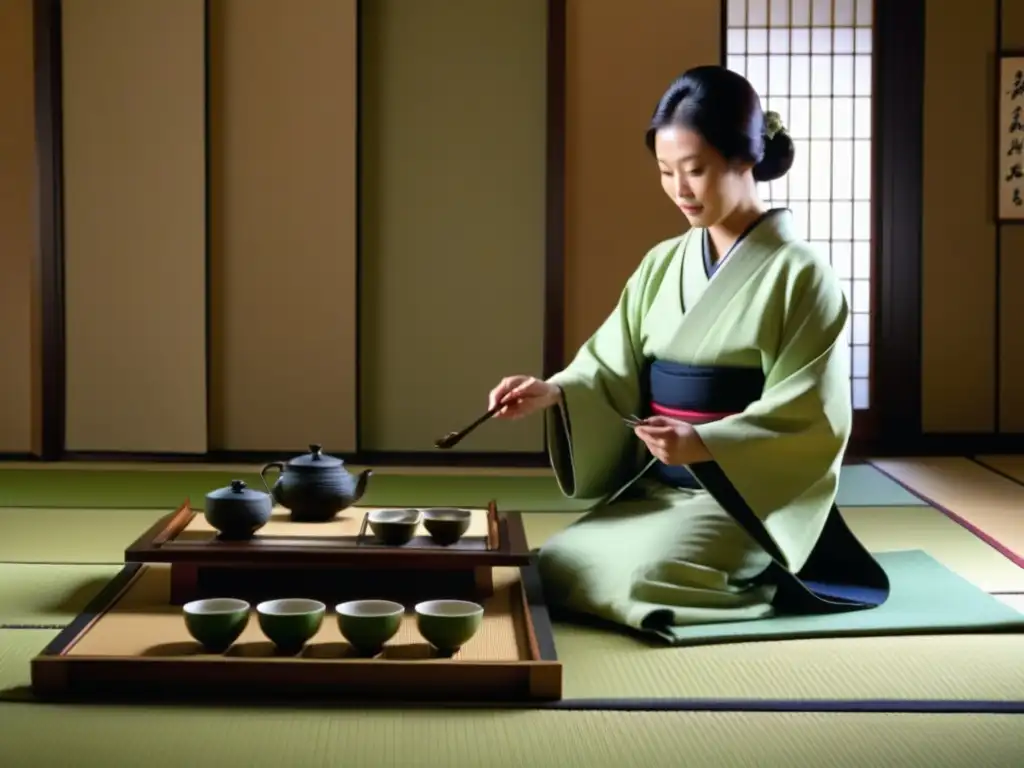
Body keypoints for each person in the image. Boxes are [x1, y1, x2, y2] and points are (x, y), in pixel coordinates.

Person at [486, 65, 889, 642]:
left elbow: (810, 412)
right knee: (555, 564)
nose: (680, 189)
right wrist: (554, 391)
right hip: (660, 488)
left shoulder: (802, 273)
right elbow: (609, 363)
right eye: (666, 172)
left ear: (744, 159)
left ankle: (759, 576)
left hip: (739, 497)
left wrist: (703, 442)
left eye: (695, 170)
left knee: (644, 579)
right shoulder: (663, 263)